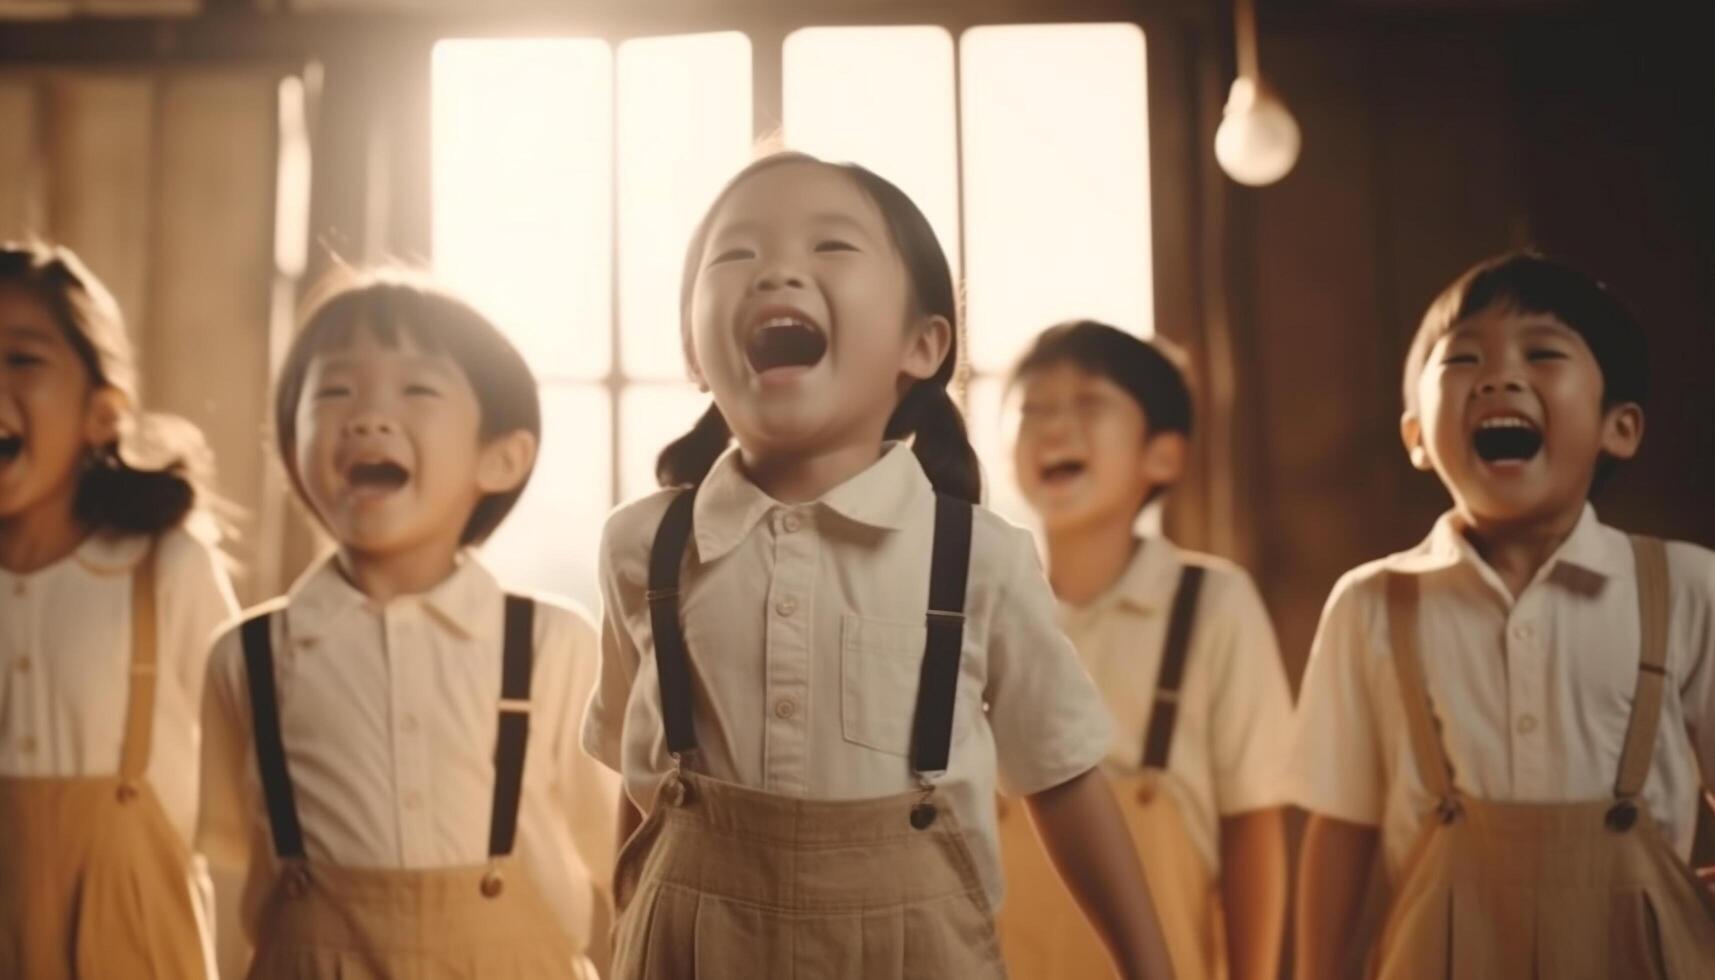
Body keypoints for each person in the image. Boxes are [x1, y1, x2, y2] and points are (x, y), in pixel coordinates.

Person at [586, 152, 1174, 980]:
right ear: (692, 348)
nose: (777, 271)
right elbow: (642, 779)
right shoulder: (639, 548)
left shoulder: (977, 555)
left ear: (922, 344)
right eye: (735, 253)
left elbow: (1063, 776)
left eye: (830, 246)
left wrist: (1150, 967)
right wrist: (613, 944)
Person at [1289, 252, 1715, 978]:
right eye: (1461, 360)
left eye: (1542, 352)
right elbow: (1339, 829)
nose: (1497, 376)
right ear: (1417, 436)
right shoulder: (1369, 604)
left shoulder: (1684, 587)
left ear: (1620, 426)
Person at [198, 269, 616, 978]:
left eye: (416, 389)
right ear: (291, 451)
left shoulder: (554, 643)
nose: (366, 417)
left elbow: (614, 853)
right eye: (334, 392)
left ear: (501, 457)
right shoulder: (247, 656)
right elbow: (231, 851)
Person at [999, 320, 1292, 980]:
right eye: (1032, 408)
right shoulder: (981, 605)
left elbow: (1251, 824)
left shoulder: (1210, 603)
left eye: (1087, 404)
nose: (1052, 426)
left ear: (1162, 455)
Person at [0, 240, 237, 980]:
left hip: (137, 944)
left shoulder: (164, 568)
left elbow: (255, 801)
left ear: (101, 414)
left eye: (22, 358)